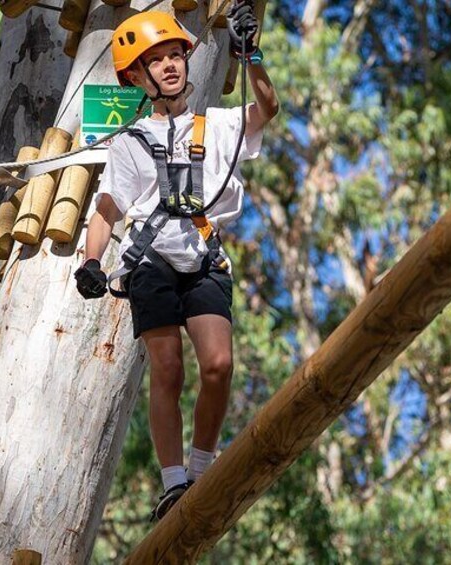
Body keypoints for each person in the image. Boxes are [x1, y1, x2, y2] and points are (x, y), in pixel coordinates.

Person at [74, 5, 278, 521]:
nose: (169, 66)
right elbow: (108, 207)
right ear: (137, 77)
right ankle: (172, 483)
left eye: (174, 56)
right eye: (155, 61)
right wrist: (92, 261)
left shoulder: (221, 126)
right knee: (167, 370)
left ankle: (202, 467)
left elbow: (267, 108)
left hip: (204, 258)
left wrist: (250, 55)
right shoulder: (129, 142)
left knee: (219, 365)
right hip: (151, 261)